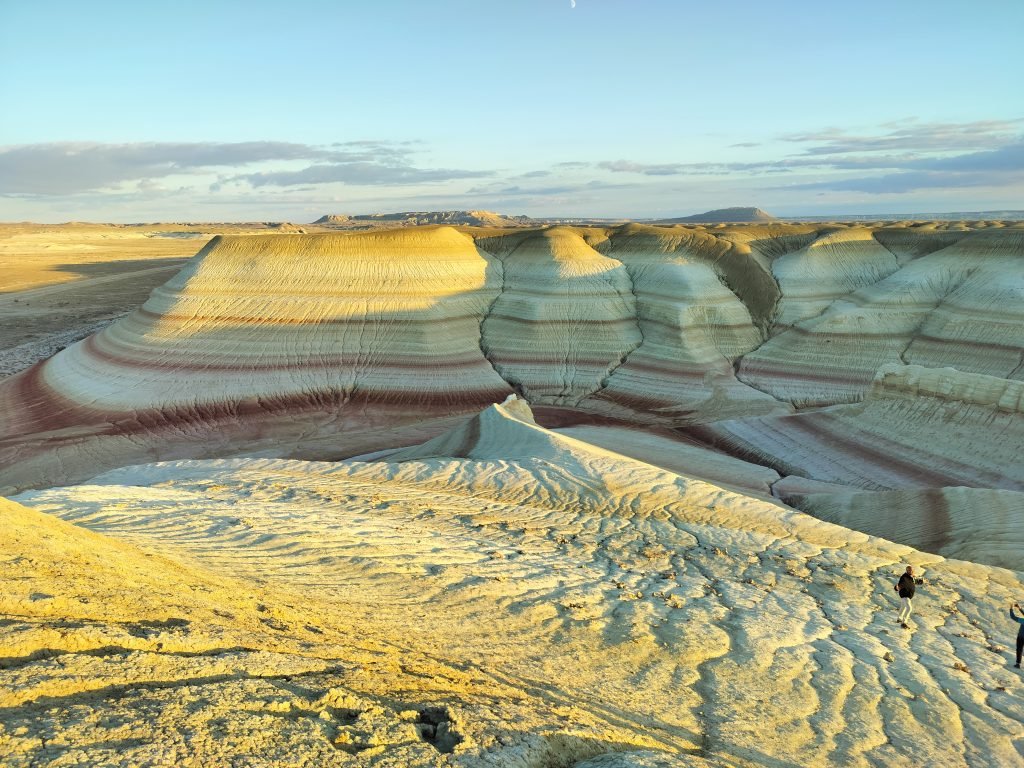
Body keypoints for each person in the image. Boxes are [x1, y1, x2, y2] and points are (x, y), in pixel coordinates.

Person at [1011, 602, 1024, 668]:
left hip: (1021, 637)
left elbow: (1013, 617)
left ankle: (1018, 664)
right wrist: (1019, 608)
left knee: (1019, 649)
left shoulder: (1023, 621)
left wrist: (1011, 608)